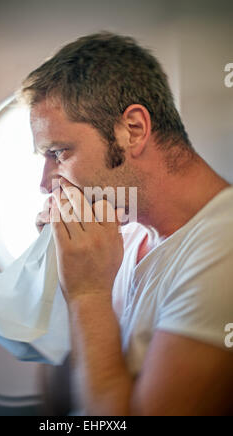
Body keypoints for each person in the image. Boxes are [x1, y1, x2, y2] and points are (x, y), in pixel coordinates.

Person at [17, 32, 233, 416]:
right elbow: (66, 403)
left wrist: (88, 295)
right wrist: (60, 279)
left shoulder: (223, 249)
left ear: (132, 130)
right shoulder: (121, 238)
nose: (45, 183)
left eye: (58, 153)